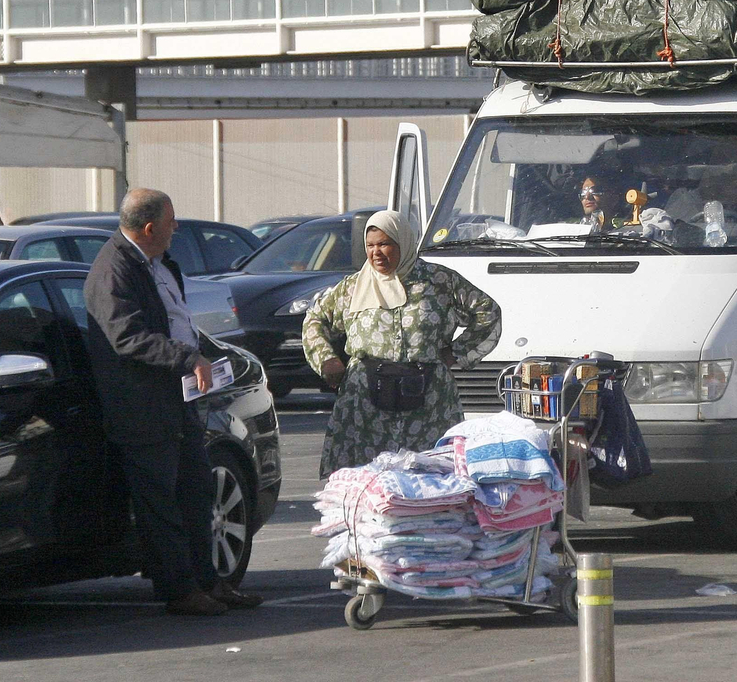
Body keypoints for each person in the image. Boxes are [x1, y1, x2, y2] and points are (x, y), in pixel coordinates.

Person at [84, 188, 261, 616]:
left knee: (197, 491)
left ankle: (207, 581)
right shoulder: (114, 271)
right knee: (160, 501)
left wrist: (208, 357)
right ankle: (180, 590)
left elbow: (177, 324)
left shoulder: (159, 266)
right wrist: (186, 358)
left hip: (177, 399)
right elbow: (127, 337)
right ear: (149, 228)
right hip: (142, 406)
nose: (176, 228)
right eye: (170, 221)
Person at [302, 210, 502, 478]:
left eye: (384, 244)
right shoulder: (351, 288)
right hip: (364, 408)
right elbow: (315, 320)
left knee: (431, 482)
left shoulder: (439, 281)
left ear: (403, 243)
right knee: (366, 484)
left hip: (429, 404)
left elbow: (487, 312)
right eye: (370, 246)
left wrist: (456, 352)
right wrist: (327, 360)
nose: (376, 253)